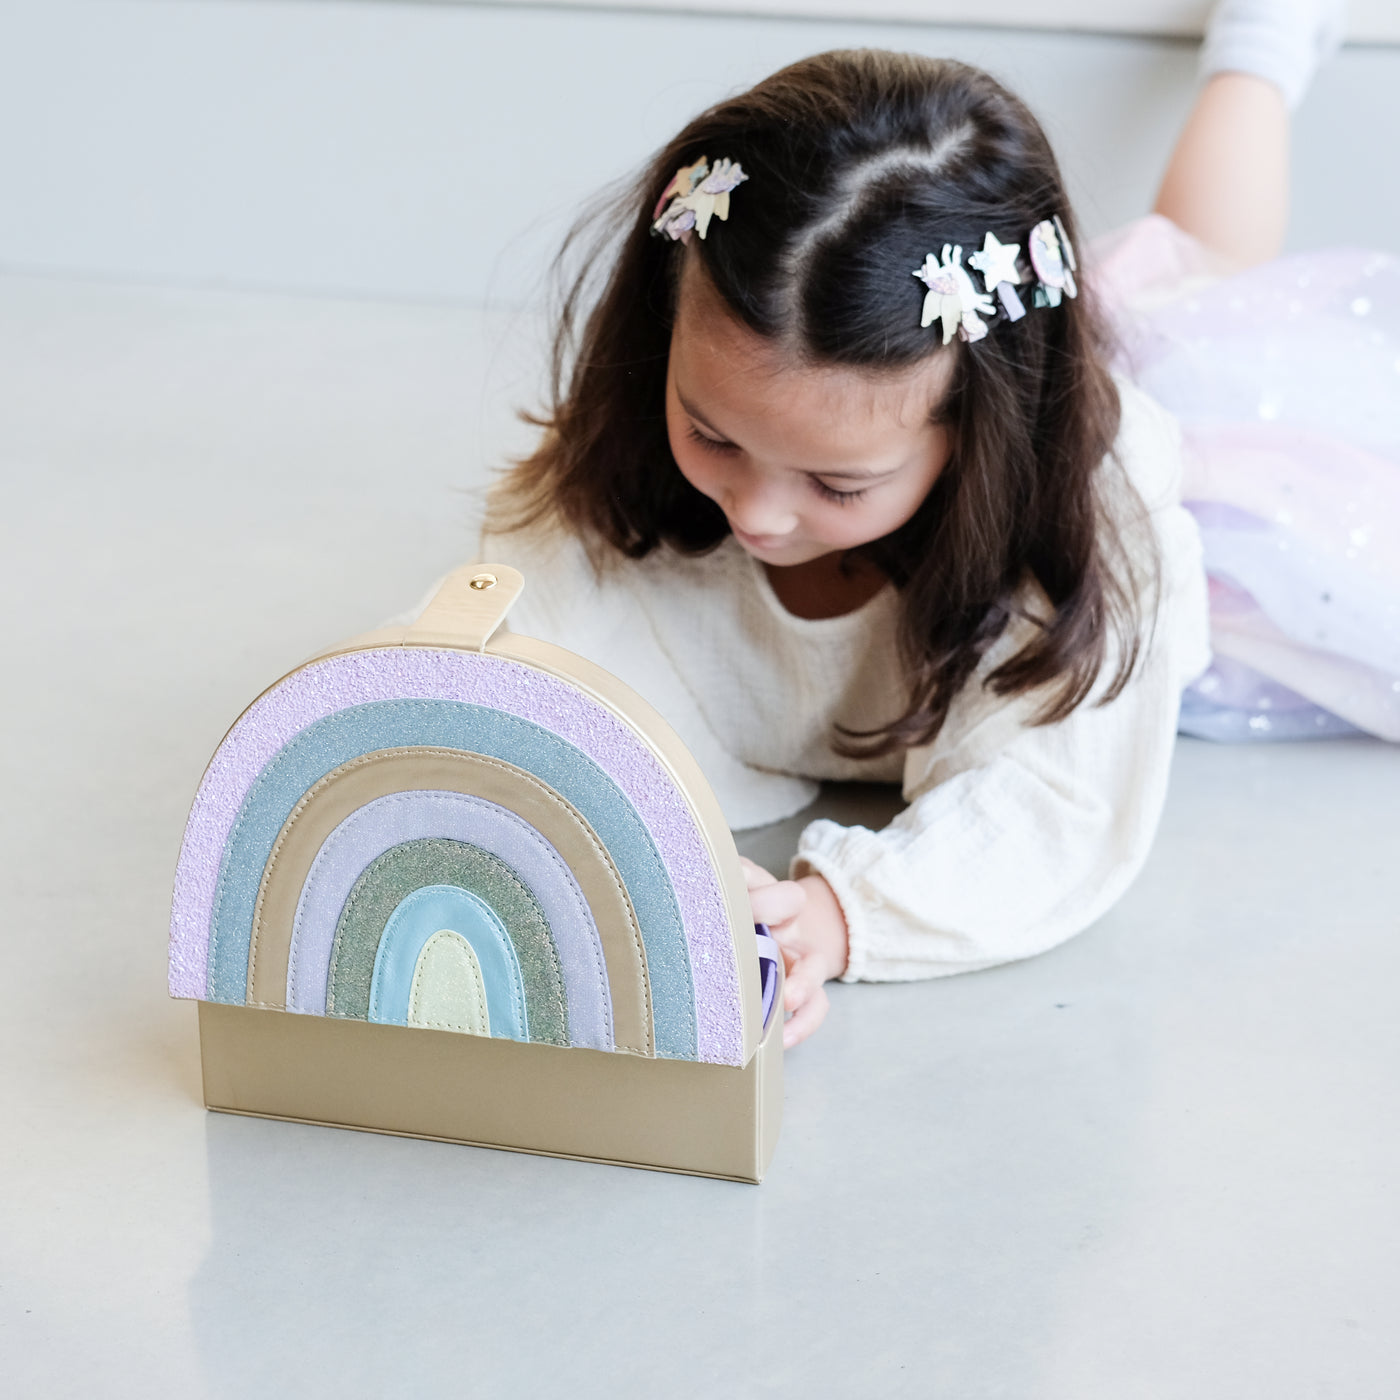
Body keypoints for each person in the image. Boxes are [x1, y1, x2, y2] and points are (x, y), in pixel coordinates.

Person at [411, 0, 1394, 1046]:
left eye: (836, 487)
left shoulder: (1102, 514)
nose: (756, 511)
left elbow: (1053, 804)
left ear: (977, 440)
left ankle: (1258, 51)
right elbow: (513, 649)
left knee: (1201, 295)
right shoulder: (659, 431)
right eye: (711, 434)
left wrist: (844, 911)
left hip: (1202, 493)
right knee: (1165, 278)